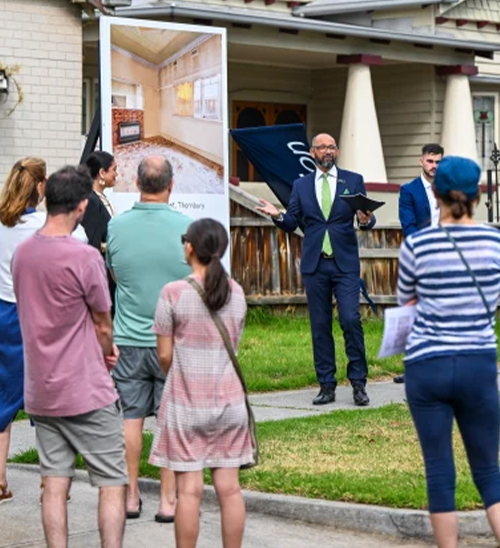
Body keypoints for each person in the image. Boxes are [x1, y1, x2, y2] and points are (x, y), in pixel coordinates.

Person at [12, 165, 127, 548]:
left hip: (41, 390)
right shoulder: (84, 257)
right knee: (112, 482)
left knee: (54, 484)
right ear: (82, 205)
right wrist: (108, 352)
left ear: (46, 199)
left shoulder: (23, 255)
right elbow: (102, 322)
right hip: (86, 388)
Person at [398, 156, 500, 548]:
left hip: (427, 365)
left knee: (439, 473)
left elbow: (406, 303)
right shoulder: (494, 241)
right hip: (477, 362)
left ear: (435, 192)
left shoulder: (418, 244)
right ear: (479, 194)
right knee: (489, 473)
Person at [149, 218, 253, 548]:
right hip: (230, 404)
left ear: (190, 247)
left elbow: (164, 356)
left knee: (189, 492)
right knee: (230, 489)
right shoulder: (237, 294)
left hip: (186, 404)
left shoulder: (173, 293)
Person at [256, 133, 374, 406]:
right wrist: (278, 216)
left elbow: (366, 217)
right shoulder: (301, 185)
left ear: (338, 151)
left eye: (332, 147)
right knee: (320, 326)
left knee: (350, 320)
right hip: (315, 264)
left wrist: (366, 219)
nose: (328, 151)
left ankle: (358, 383)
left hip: (344, 264)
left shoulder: (353, 181)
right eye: (323, 147)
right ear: (312, 153)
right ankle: (327, 386)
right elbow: (292, 221)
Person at [106, 155, 192, 522]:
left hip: (127, 338)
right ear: (171, 185)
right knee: (169, 421)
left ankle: (131, 495)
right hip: (173, 341)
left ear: (137, 184)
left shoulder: (116, 227)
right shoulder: (189, 227)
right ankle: (168, 500)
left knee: (131, 420)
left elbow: (114, 274)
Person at [0, 158, 47, 504]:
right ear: (40, 186)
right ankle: (51, 479)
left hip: (1, 309)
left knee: (3, 399)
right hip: (35, 314)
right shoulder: (44, 226)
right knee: (45, 397)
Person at [395, 143, 444, 384]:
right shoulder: (409, 190)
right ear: (421, 161)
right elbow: (409, 226)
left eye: (438, 162)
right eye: (430, 161)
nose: (434, 166)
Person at [81, 151, 118, 311]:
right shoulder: (92, 201)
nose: (117, 174)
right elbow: (91, 242)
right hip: (99, 277)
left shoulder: (98, 199)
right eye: (114, 169)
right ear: (102, 173)